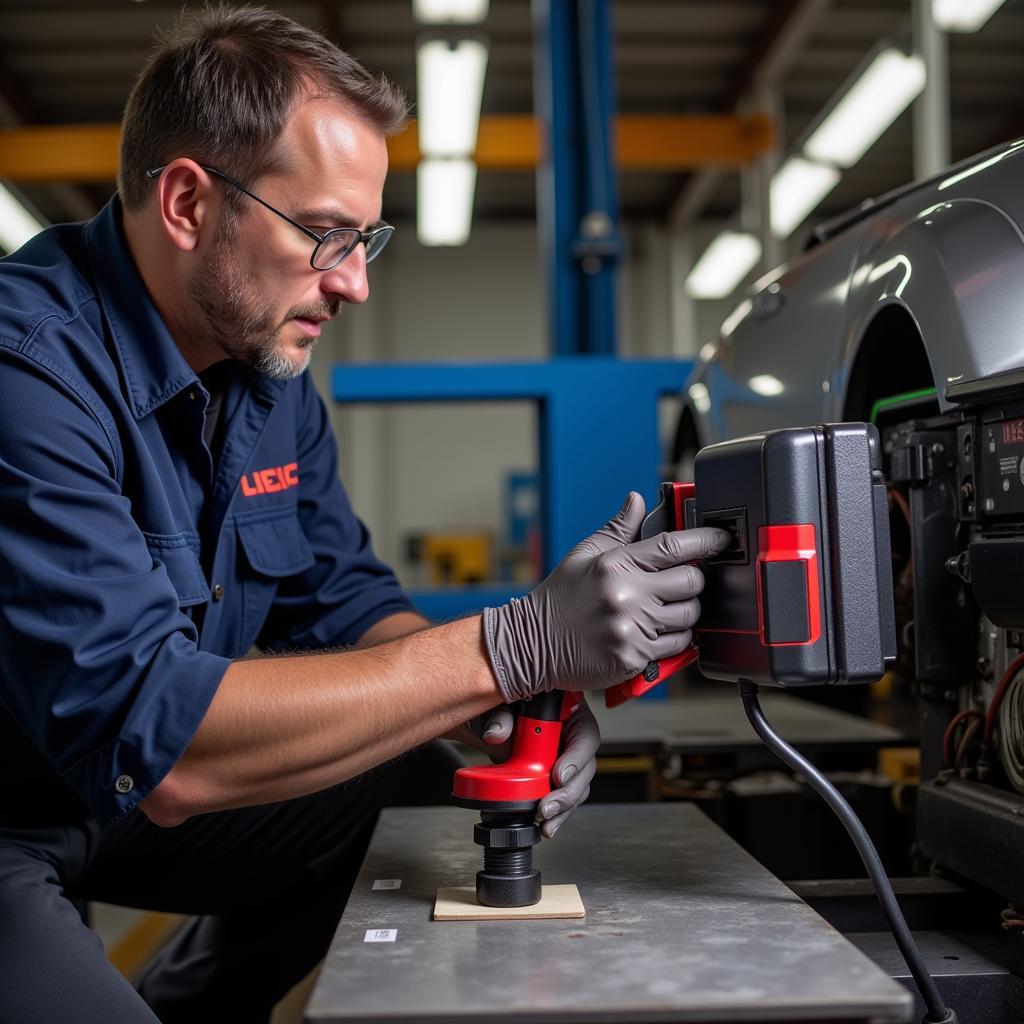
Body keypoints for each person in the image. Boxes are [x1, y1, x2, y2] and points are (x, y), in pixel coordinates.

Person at [0, 6, 727, 1023]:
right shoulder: (26, 369)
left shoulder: (263, 372)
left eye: (366, 235)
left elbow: (343, 601)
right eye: (325, 235)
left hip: (104, 801)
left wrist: (493, 709)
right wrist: (511, 645)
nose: (355, 280)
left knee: (420, 785)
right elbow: (154, 740)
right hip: (19, 814)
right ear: (185, 203)